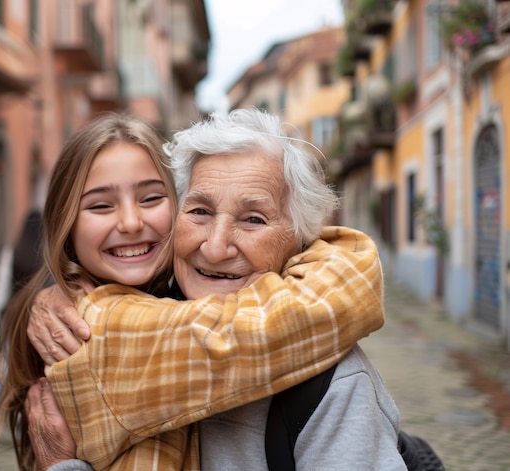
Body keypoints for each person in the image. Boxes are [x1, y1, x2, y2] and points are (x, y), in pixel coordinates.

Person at [24, 109, 401, 470]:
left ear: (300, 242)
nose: (215, 247)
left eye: (254, 219)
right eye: (200, 212)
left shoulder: (332, 386)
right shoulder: (72, 336)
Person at [0, 112, 178, 469]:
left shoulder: (213, 294)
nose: (132, 223)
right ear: (66, 222)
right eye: (100, 205)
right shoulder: (55, 334)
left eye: (151, 198)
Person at [0, 209, 44, 402]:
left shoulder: (13, 252)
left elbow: (0, 290)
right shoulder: (49, 253)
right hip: (42, 315)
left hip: (15, 317)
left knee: (8, 360)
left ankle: (5, 399)